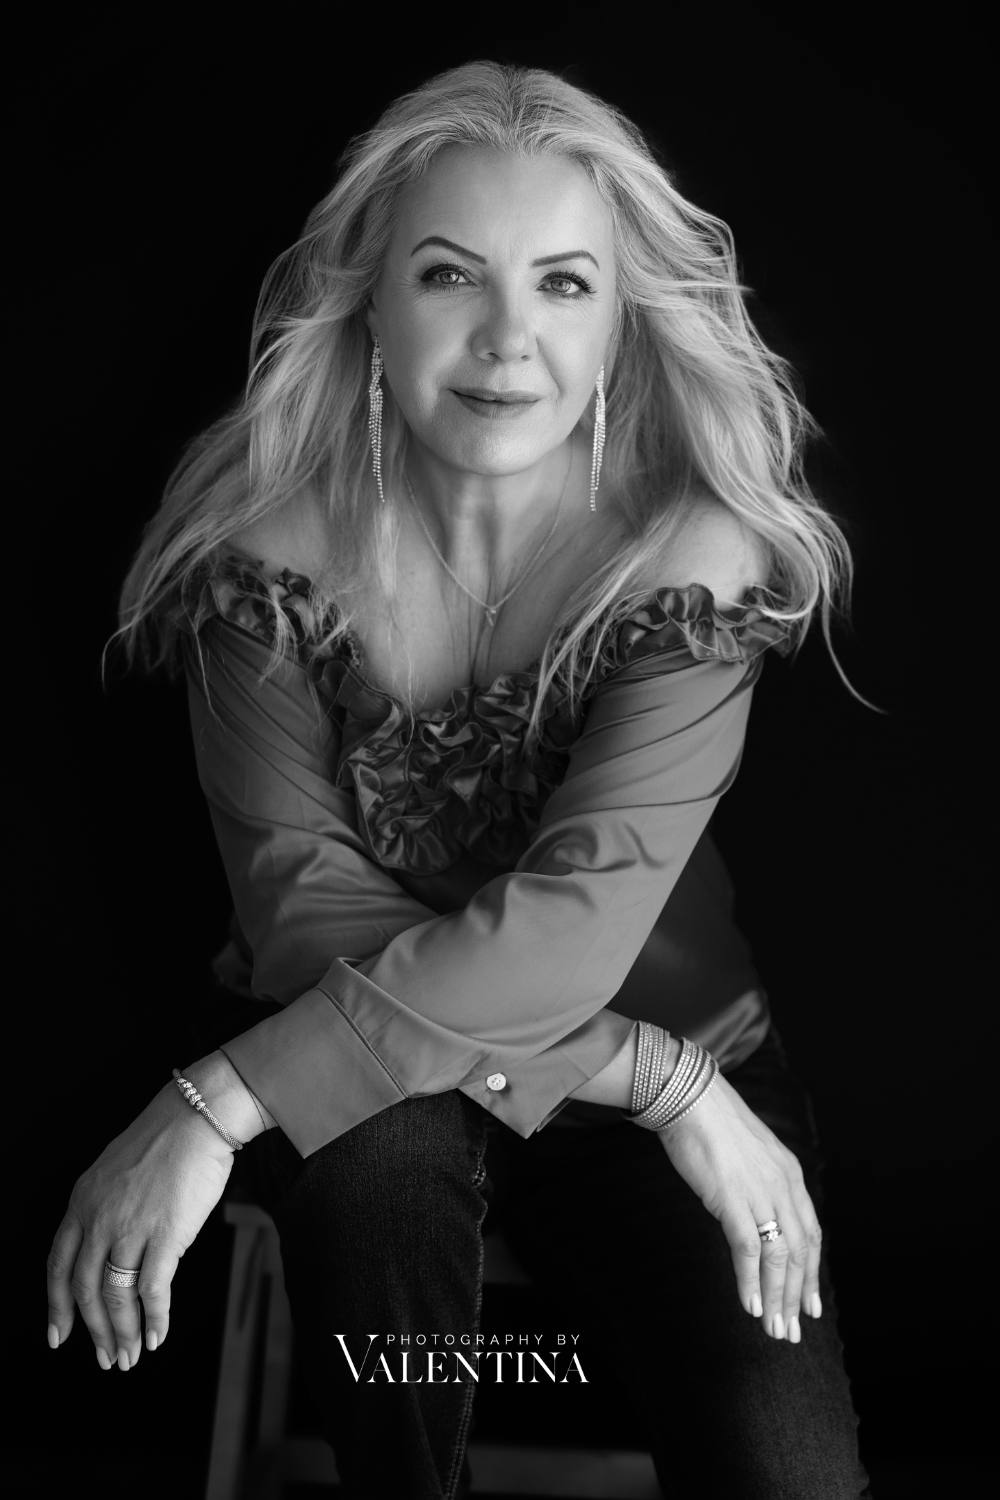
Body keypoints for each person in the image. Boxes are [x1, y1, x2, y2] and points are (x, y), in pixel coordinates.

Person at [47, 61, 872, 1498]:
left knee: (787, 1475)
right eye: (450, 276)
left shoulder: (694, 561)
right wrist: (654, 1077)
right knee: (371, 1173)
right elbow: (301, 910)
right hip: (450, 1068)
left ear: (622, 324)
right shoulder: (259, 561)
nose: (506, 340)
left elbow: (581, 916)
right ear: (370, 296)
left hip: (676, 1073)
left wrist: (214, 1105)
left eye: (562, 285)